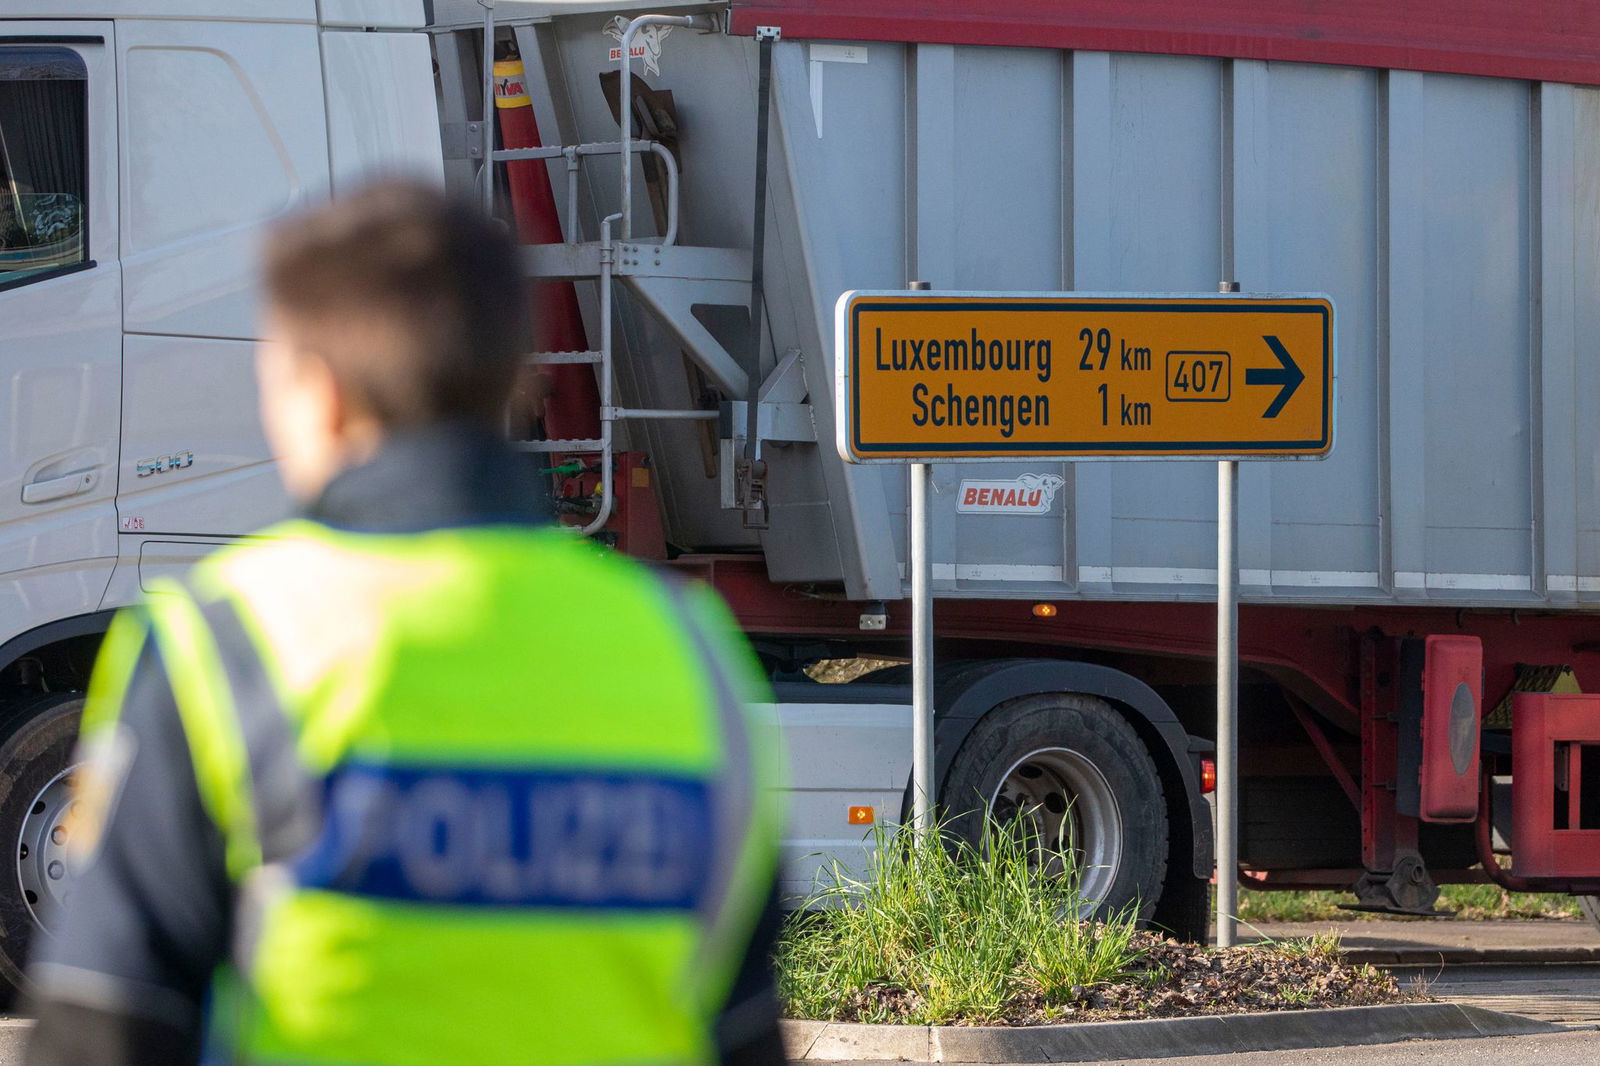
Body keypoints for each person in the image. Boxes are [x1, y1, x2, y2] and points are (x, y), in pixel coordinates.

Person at [24, 182, 787, 1066]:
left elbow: (102, 1030)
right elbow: (740, 1031)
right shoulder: (686, 650)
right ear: (516, 380)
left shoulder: (227, 645)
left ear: (318, 391)